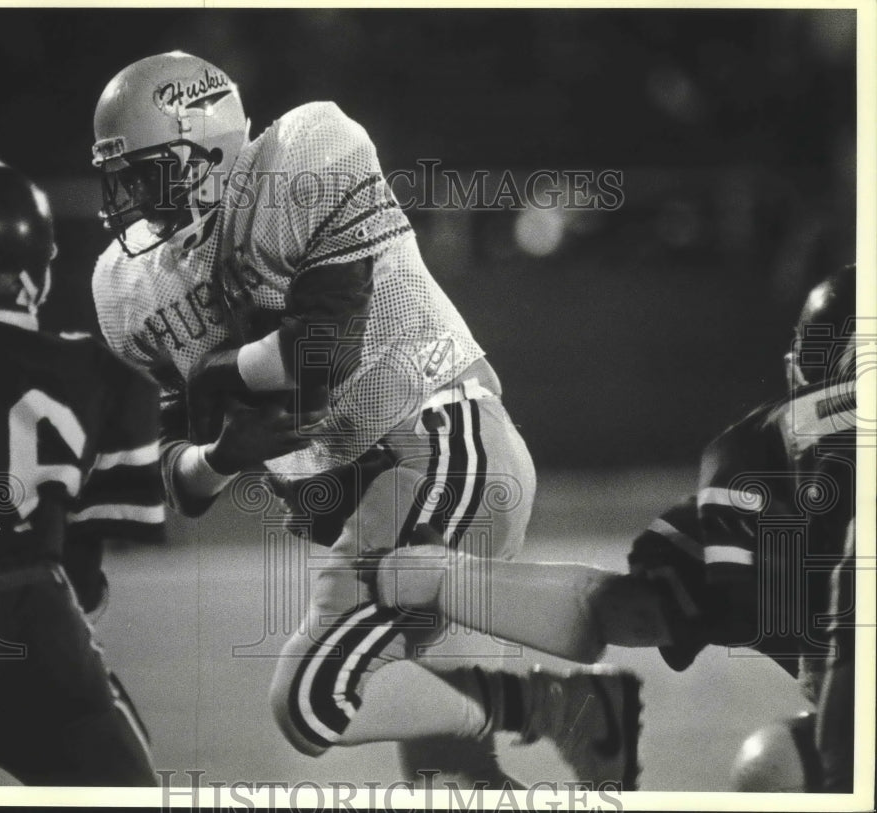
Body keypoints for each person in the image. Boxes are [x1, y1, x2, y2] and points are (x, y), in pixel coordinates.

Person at [89, 51, 642, 789]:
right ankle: (573, 700)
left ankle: (563, 702)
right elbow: (178, 473)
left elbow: (320, 350)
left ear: (205, 143)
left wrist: (215, 377)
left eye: (145, 170)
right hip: (364, 511)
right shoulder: (133, 285)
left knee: (314, 697)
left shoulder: (305, 153)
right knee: (453, 780)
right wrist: (221, 454)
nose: (130, 197)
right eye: (119, 178)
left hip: (438, 439)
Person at [377, 264, 857, 792]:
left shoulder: (773, 448)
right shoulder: (794, 453)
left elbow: (640, 609)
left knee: (777, 766)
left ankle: (466, 615)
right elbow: (650, 608)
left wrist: (442, 583)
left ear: (801, 369)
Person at [0, 156, 165, 785]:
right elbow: (83, 577)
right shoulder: (95, 375)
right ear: (34, 271)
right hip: (21, 610)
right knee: (123, 790)